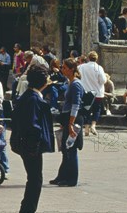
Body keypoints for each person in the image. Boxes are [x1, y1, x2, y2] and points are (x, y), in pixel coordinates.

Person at [11, 64, 55, 213]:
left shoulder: (29, 96)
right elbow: (32, 125)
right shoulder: (33, 99)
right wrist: (33, 147)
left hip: (27, 145)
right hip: (30, 147)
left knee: (34, 179)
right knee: (35, 180)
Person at [51, 58, 84, 187]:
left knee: (71, 149)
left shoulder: (76, 84)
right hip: (68, 118)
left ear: (71, 69)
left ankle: (72, 179)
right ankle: (62, 175)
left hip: (74, 119)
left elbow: (76, 105)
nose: (62, 69)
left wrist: (70, 123)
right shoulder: (69, 82)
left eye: (64, 67)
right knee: (65, 148)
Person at [77, 51, 106, 136]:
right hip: (97, 93)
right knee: (97, 109)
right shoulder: (99, 68)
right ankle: (93, 125)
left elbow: (77, 77)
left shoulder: (81, 67)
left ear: (88, 58)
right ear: (97, 59)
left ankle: (86, 128)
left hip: (86, 92)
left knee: (86, 110)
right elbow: (103, 80)